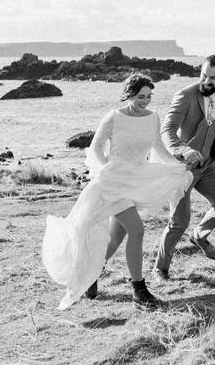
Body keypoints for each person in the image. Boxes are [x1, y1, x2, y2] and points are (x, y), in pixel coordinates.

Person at [42, 74, 192, 311]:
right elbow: (96, 147)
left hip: (135, 182)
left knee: (115, 239)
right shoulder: (114, 117)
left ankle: (91, 275)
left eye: (149, 96)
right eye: (140, 96)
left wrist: (177, 165)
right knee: (137, 229)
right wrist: (104, 171)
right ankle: (139, 291)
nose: (145, 101)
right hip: (113, 184)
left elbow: (159, 149)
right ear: (129, 94)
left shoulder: (153, 118)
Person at [153, 54, 215, 280]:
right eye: (203, 75)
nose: (206, 81)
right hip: (182, 169)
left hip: (207, 165)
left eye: (212, 77)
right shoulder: (185, 95)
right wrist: (183, 149)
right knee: (179, 221)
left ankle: (199, 235)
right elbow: (167, 130)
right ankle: (161, 268)